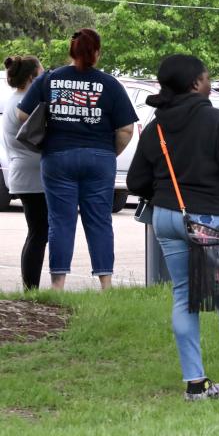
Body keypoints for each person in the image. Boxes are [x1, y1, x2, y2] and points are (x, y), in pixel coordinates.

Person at [127, 54, 219, 405]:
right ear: (195, 84)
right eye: (207, 77)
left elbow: (135, 181)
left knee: (182, 294)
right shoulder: (216, 121)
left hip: (166, 217)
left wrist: (166, 196)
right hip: (212, 221)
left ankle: (196, 384)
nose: (210, 83)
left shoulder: (157, 125)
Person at [16, 29, 137, 291]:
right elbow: (126, 129)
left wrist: (48, 133)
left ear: (71, 51)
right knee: (99, 221)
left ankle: (58, 284)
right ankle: (106, 285)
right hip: (99, 158)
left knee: (60, 221)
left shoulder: (50, 79)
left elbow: (22, 115)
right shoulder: (111, 84)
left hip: (58, 157)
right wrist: (108, 153)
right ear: (97, 52)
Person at [4, 56, 46, 289]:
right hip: (32, 176)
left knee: (37, 233)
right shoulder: (25, 103)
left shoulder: (15, 100)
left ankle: (31, 287)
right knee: (38, 234)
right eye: (41, 74)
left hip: (24, 173)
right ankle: (31, 288)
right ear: (32, 77)